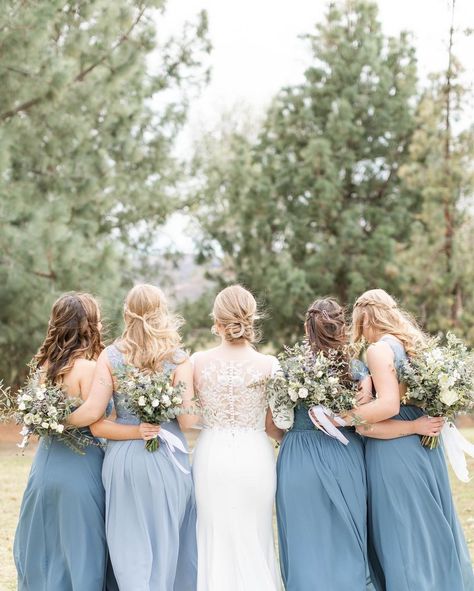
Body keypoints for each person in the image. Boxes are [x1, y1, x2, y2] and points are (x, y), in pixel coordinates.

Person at [342, 288, 474, 591]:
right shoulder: (414, 346)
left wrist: (343, 417)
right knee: (428, 531)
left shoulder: (378, 350)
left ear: (364, 317)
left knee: (403, 539)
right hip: (425, 451)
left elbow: (389, 405)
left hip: (395, 452)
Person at [68, 284, 197, 591]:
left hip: (123, 461)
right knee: (167, 547)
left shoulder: (110, 357)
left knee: (129, 551)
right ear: (163, 313)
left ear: (127, 313)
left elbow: (96, 421)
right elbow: (189, 421)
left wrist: (57, 420)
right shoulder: (179, 360)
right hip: (168, 460)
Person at [13, 292, 131, 591]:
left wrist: (48, 421)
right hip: (80, 470)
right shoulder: (88, 368)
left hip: (44, 469)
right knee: (82, 551)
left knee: (47, 547)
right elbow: (94, 416)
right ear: (87, 325)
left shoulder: (44, 369)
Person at [191, 285, 281, 591]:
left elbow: (189, 420)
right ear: (252, 319)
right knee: (255, 536)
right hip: (255, 456)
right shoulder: (269, 365)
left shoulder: (197, 362)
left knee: (214, 536)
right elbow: (274, 426)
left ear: (217, 321)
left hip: (212, 455)